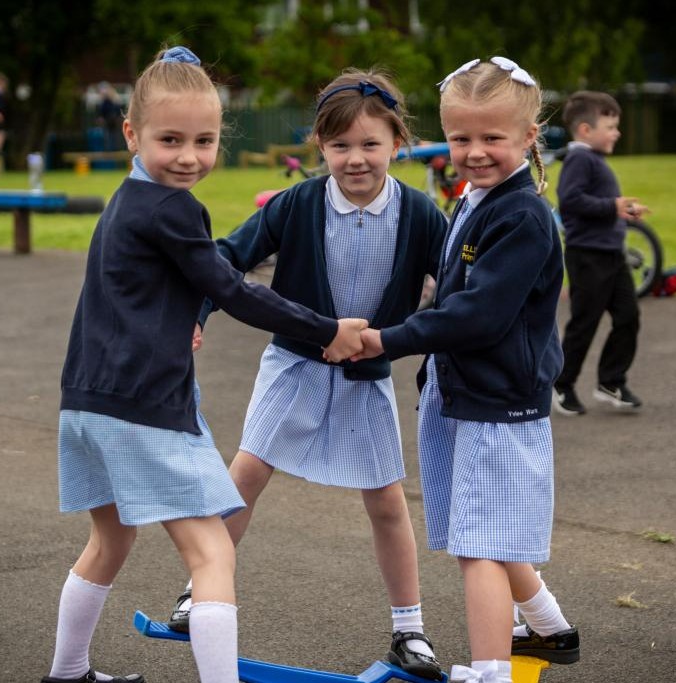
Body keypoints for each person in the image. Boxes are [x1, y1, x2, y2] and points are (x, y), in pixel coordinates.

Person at [43, 46, 367, 683]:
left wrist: (183, 314)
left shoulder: (128, 199)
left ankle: (68, 671)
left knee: (110, 541)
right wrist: (328, 329)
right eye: (170, 139)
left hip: (87, 403)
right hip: (146, 410)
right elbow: (234, 288)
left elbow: (150, 285)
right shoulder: (174, 208)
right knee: (212, 551)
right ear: (132, 133)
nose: (189, 156)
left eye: (204, 139)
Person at [166, 68, 449, 680]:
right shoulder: (294, 205)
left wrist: (426, 346)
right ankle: (200, 590)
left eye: (370, 145)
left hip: (366, 375)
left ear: (397, 143)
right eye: (340, 146)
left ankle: (410, 630)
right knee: (245, 473)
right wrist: (198, 311)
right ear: (320, 146)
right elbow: (225, 258)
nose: (355, 159)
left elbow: (456, 291)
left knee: (387, 502)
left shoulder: (423, 215)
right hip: (294, 363)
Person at [356, 56, 579, 683]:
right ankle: (547, 624)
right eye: (460, 138)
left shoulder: (524, 216)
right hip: (466, 394)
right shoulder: (477, 198)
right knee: (487, 529)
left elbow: (477, 315)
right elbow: (451, 286)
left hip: (498, 401)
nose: (474, 152)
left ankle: (489, 671)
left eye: (492, 138)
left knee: (480, 547)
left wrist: (386, 340)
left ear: (530, 138)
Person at [551, 91, 648, 416]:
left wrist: (621, 210)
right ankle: (562, 385)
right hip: (588, 256)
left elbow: (594, 204)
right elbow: (571, 200)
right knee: (585, 323)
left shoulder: (593, 160)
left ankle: (611, 381)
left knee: (628, 316)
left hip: (611, 255)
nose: (616, 132)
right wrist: (611, 206)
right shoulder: (580, 159)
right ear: (585, 131)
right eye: (610, 126)